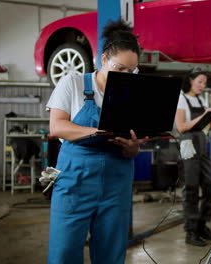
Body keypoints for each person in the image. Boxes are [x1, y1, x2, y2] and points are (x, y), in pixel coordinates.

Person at [46, 19, 148, 264]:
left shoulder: (134, 93)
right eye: (120, 68)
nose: (126, 75)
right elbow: (57, 125)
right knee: (64, 252)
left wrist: (133, 147)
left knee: (111, 254)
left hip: (117, 182)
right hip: (76, 179)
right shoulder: (73, 83)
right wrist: (97, 131)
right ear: (103, 60)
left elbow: (135, 139)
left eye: (132, 71)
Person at [174, 70, 211, 247]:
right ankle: (191, 231)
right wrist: (204, 115)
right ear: (191, 81)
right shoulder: (181, 99)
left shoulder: (201, 101)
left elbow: (205, 129)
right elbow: (181, 127)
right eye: (200, 82)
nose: (203, 85)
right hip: (188, 146)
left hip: (201, 145)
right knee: (191, 189)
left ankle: (202, 225)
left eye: (205, 83)